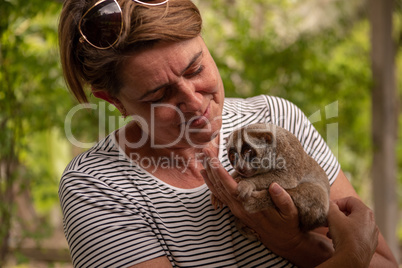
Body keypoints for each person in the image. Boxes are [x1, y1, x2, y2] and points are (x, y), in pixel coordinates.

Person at [58, 0, 398, 267]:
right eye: (159, 95)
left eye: (196, 68)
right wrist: (347, 261)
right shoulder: (98, 186)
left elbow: (382, 262)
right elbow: (358, 254)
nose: (193, 102)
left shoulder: (274, 120)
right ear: (113, 100)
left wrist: (292, 243)